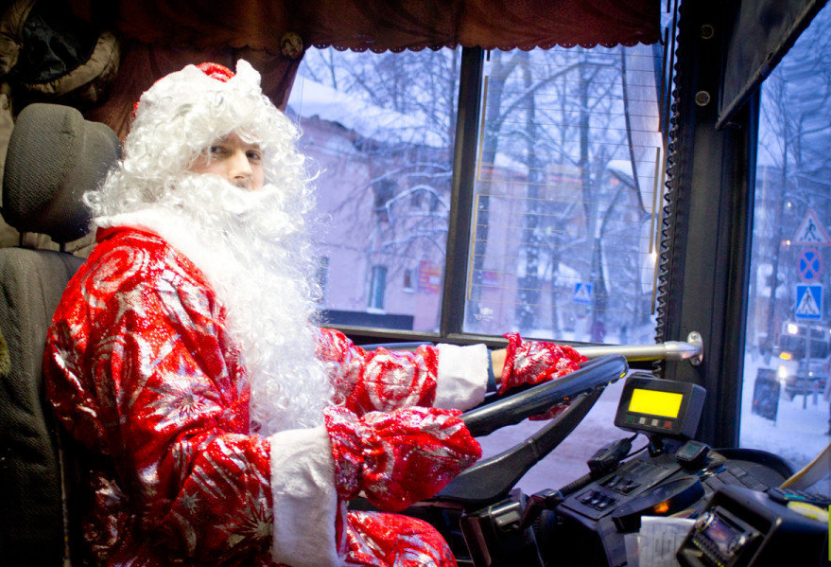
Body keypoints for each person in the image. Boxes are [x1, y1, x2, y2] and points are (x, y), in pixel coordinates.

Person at [43, 61, 586, 567]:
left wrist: (497, 370)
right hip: (167, 550)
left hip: (240, 529)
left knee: (423, 542)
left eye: (254, 156)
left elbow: (339, 371)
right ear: (165, 162)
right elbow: (184, 482)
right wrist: (365, 456)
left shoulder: (213, 269)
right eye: (217, 150)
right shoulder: (139, 284)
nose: (242, 174)